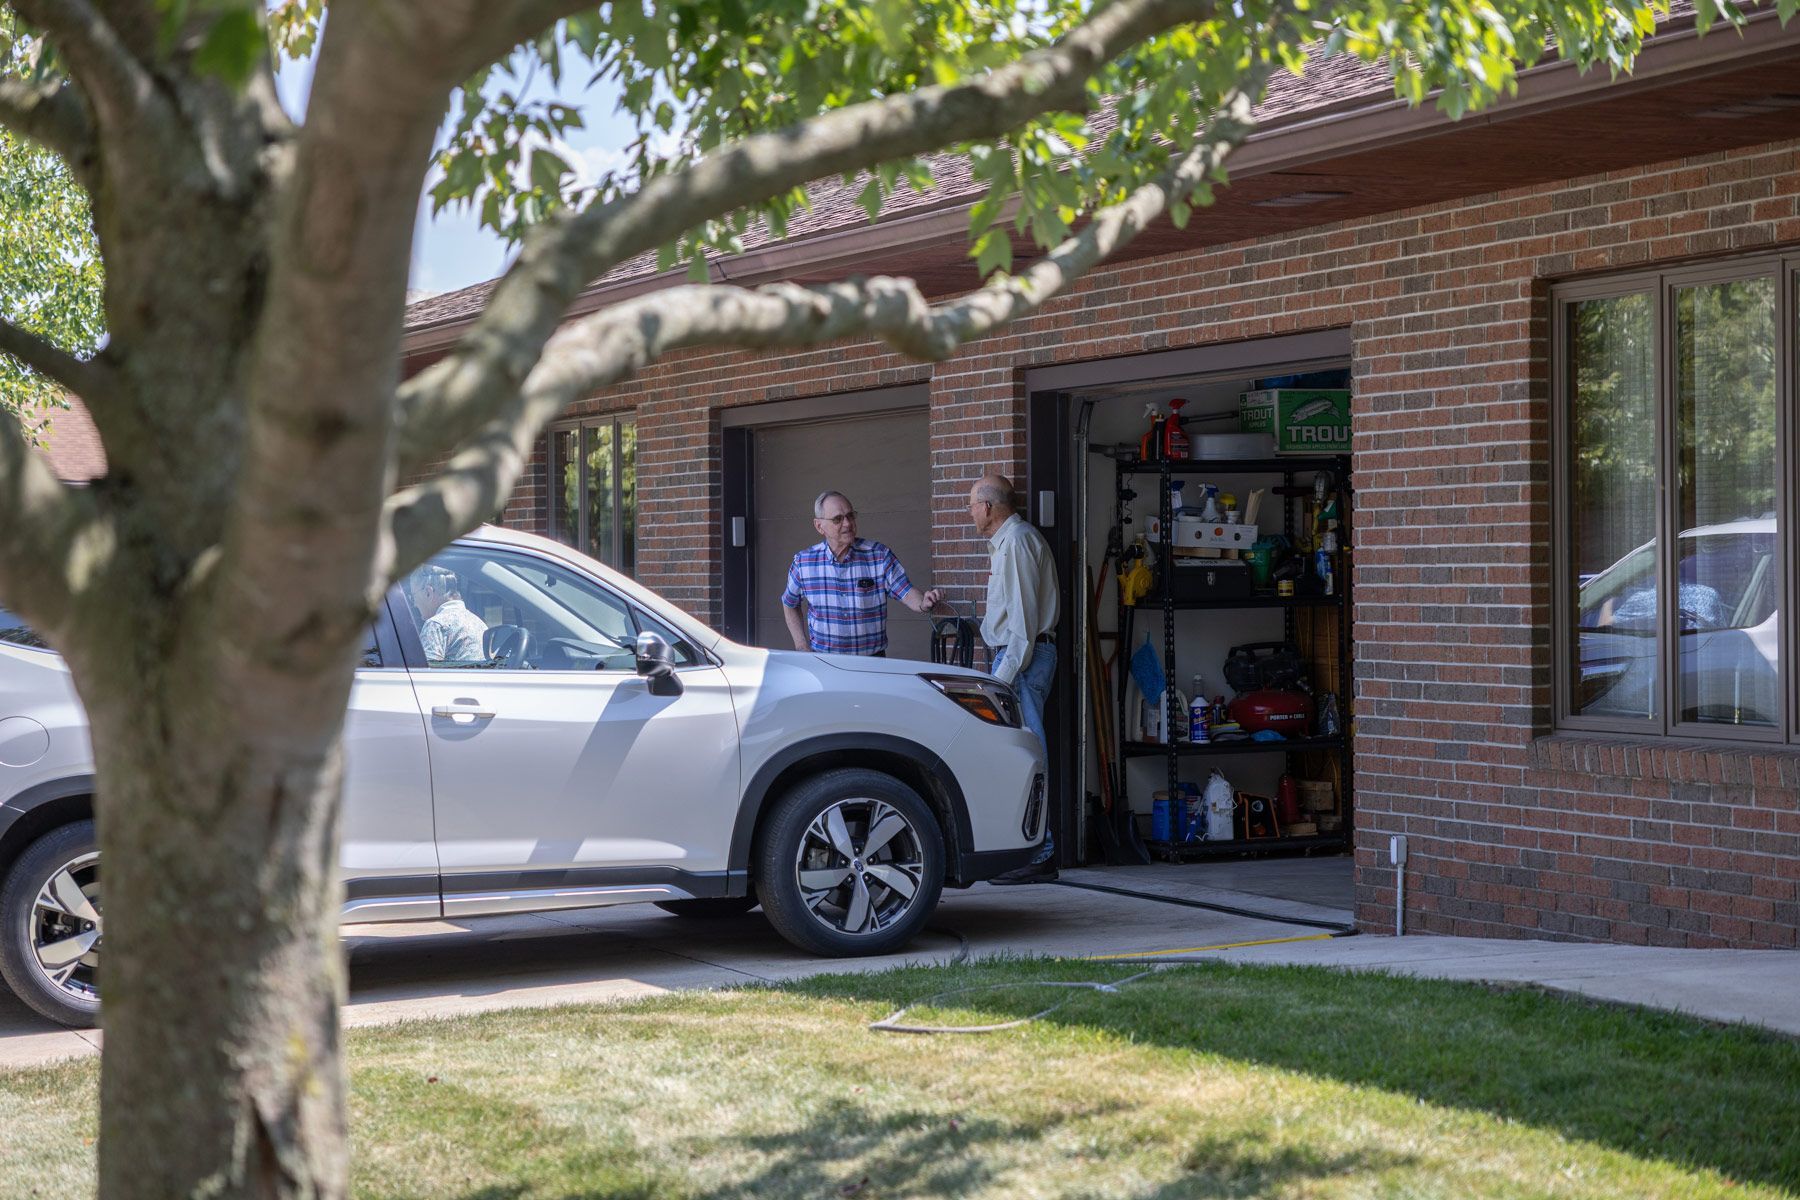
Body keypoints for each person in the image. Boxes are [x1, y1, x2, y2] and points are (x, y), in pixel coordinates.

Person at [969, 472, 1060, 883]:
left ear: (988, 508)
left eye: (972, 504)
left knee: (1027, 754)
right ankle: (1030, 849)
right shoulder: (1008, 543)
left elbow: (1023, 625)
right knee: (1019, 753)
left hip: (1020, 660)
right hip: (1019, 657)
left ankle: (1041, 853)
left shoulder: (1018, 542)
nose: (969, 512)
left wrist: (1001, 680)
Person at [781, 490, 941, 656]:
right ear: (819, 526)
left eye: (850, 516)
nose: (848, 524)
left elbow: (906, 592)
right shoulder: (803, 563)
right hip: (825, 663)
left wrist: (924, 603)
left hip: (872, 664)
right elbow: (789, 603)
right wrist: (801, 645)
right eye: (838, 519)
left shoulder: (879, 555)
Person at [409, 564, 488, 664]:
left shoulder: (436, 625)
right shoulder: (479, 623)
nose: (415, 604)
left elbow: (424, 676)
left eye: (413, 596)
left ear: (428, 593)